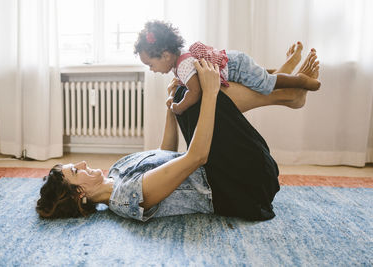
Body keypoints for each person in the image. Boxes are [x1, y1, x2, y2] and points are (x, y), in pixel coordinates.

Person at [36, 46, 320, 221]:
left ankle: (282, 90)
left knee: (187, 94)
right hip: (244, 188)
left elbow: (165, 153)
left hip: (223, 169)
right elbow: (196, 157)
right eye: (77, 171)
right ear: (80, 193)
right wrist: (208, 94)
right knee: (198, 93)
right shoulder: (127, 197)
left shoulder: (117, 171)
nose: (83, 164)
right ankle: (284, 92)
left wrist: (170, 110)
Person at [134, 20, 320, 115]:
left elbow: (195, 91)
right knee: (260, 78)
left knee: (265, 84)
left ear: (166, 55)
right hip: (233, 62)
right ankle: (283, 70)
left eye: (151, 64)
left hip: (236, 67)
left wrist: (179, 106)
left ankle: (300, 81)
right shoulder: (179, 60)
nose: (152, 70)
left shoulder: (182, 65)